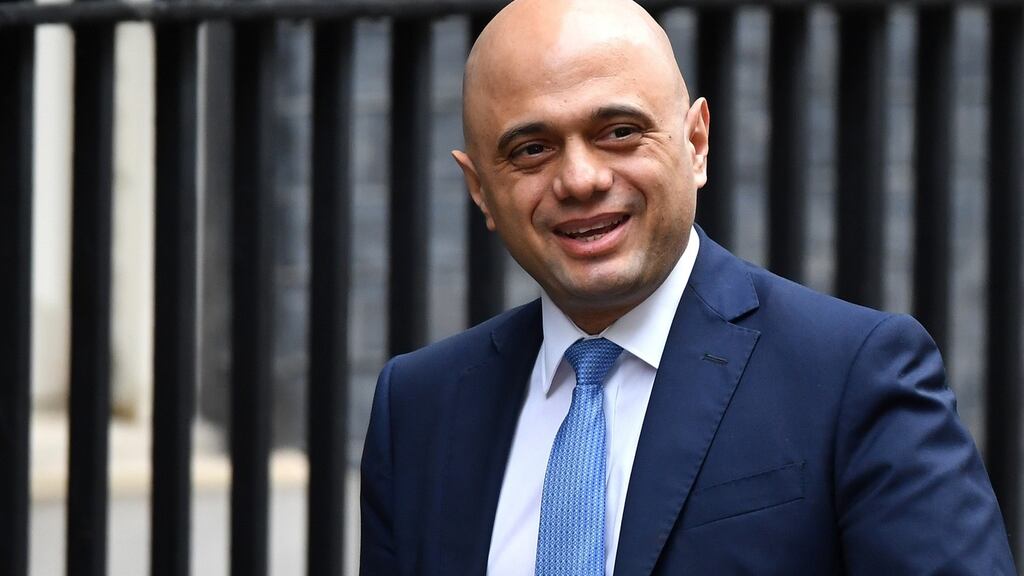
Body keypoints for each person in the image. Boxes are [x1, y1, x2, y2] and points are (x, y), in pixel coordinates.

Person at [360, 0, 1016, 573]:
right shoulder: (419, 408)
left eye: (618, 132)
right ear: (480, 189)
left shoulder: (852, 376)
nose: (580, 178)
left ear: (696, 142)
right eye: (532, 148)